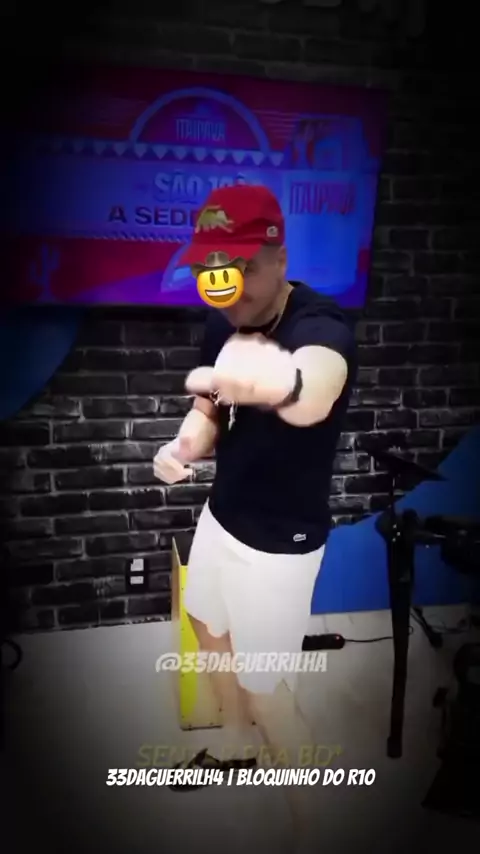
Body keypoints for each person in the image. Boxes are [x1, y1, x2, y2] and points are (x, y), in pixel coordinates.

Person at [153, 184, 356, 853]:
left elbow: (316, 388)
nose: (229, 285)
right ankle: (236, 745)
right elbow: (209, 409)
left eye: (243, 266)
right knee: (206, 623)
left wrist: (280, 385)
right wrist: (184, 445)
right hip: (224, 513)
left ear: (280, 257)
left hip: (280, 542)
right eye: (215, 269)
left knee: (267, 688)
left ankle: (314, 833)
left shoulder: (319, 324)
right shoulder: (223, 317)